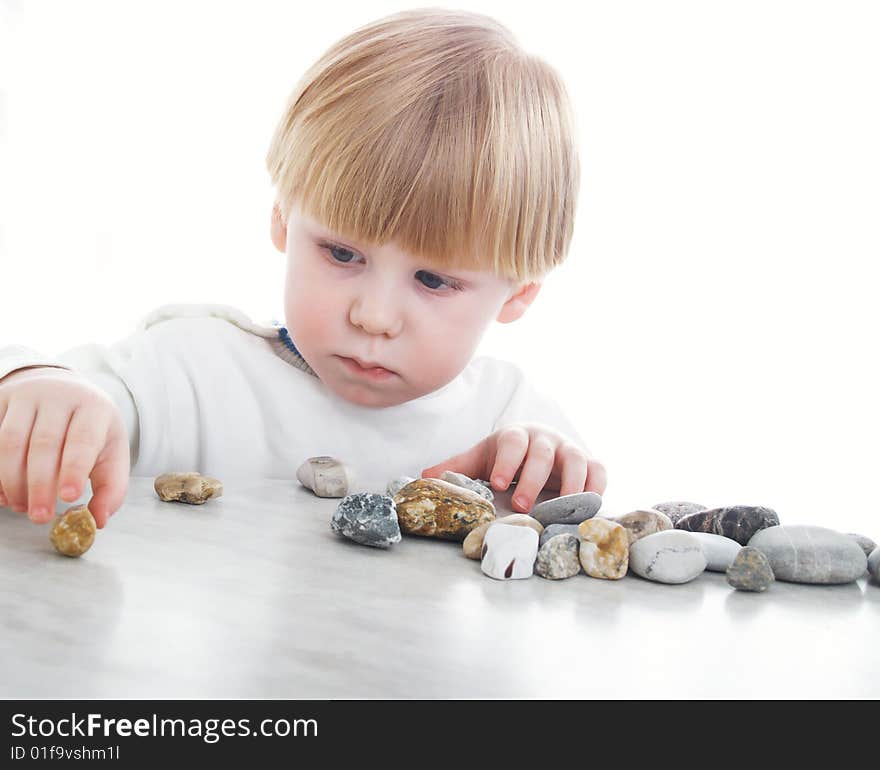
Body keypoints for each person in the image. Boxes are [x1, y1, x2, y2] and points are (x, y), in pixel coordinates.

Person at [0, 8, 606, 531]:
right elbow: (65, 398)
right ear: (283, 221)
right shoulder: (188, 373)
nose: (373, 316)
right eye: (342, 254)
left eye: (433, 280)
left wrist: (532, 487)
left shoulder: (509, 420)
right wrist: (32, 384)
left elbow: (578, 538)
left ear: (519, 293)